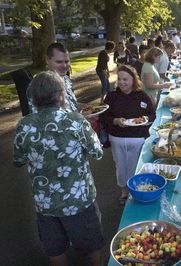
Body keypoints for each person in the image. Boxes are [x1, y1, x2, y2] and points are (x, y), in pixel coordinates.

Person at [13, 71, 104, 266]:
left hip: (45, 203)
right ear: (61, 95)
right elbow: (97, 153)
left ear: (34, 98)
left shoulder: (24, 126)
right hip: (79, 199)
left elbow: (18, 159)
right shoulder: (76, 121)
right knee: (91, 244)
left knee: (55, 246)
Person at [102, 65, 156, 205]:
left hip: (137, 138)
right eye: (119, 79)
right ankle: (124, 191)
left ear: (133, 79)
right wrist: (115, 120)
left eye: (125, 79)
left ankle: (135, 190)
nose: (121, 82)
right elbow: (103, 117)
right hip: (117, 138)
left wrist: (145, 119)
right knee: (120, 166)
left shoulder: (142, 96)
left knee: (134, 166)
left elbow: (152, 114)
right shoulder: (111, 96)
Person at [27, 42, 79, 113]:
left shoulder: (66, 79)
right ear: (47, 60)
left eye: (66, 61)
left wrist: (87, 107)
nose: (64, 66)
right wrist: (78, 121)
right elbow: (40, 119)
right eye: (59, 62)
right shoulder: (39, 85)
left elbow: (72, 105)